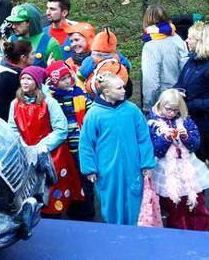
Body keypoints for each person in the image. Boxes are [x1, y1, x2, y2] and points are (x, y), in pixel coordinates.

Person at [79, 73, 155, 225]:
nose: (124, 91)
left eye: (123, 87)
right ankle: (113, 231)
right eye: (119, 88)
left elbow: (144, 138)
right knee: (110, 201)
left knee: (134, 201)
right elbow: (86, 143)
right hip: (107, 170)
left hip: (132, 167)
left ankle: (134, 231)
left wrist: (147, 163)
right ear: (106, 92)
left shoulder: (132, 110)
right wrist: (89, 169)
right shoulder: (94, 113)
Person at [8, 65, 83, 216]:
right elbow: (13, 128)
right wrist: (24, 146)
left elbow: (61, 129)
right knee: (30, 192)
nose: (25, 82)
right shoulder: (15, 103)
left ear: (37, 82)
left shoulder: (49, 102)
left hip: (52, 154)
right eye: (23, 78)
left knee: (53, 193)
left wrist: (42, 147)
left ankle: (56, 219)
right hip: (27, 154)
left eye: (29, 79)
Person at [147, 89, 209, 230]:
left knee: (196, 201)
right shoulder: (153, 123)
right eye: (168, 109)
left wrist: (186, 137)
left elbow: (195, 145)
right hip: (168, 170)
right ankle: (179, 233)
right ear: (160, 104)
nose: (171, 113)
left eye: (175, 110)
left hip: (189, 166)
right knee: (175, 206)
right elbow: (156, 150)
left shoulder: (186, 120)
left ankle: (199, 231)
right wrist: (166, 139)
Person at [45, 60, 94, 220]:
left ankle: (86, 212)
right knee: (67, 178)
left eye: (68, 77)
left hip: (79, 144)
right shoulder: (51, 98)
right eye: (63, 79)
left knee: (83, 178)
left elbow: (91, 111)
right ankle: (69, 206)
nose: (67, 81)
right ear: (54, 81)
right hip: (62, 147)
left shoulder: (79, 95)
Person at [142, 5, 189, 111]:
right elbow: (186, 68)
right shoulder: (177, 38)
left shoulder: (150, 45)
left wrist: (149, 106)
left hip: (161, 101)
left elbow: (151, 81)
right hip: (178, 96)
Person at [176, 21, 208, 161]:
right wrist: (176, 92)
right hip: (191, 121)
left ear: (200, 42)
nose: (186, 40)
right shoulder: (191, 61)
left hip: (205, 124)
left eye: (190, 38)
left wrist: (190, 104)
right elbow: (180, 81)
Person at [79, 26, 131, 98]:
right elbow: (128, 66)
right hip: (118, 91)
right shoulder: (118, 56)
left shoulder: (91, 59)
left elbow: (82, 74)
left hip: (98, 94)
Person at [7, 3, 62, 68]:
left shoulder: (50, 43)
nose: (13, 26)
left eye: (18, 23)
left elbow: (59, 71)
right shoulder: (11, 40)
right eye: (12, 23)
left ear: (29, 22)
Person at [0, 40, 31, 121]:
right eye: (32, 53)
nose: (35, 56)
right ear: (23, 58)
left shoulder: (17, 72)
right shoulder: (9, 77)